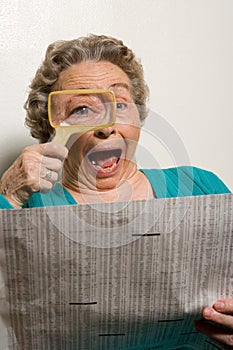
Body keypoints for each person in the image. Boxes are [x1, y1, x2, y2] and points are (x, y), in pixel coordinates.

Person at [0, 34, 232, 347]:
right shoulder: (26, 208)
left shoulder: (202, 188)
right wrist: (8, 196)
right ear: (51, 127)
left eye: (120, 104)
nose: (106, 127)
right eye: (82, 109)